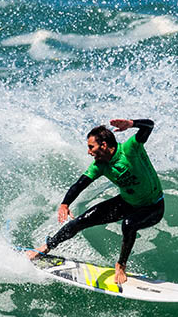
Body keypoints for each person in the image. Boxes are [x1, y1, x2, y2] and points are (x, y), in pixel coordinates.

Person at [29, 118, 163, 285]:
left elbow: (149, 125)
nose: (89, 152)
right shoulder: (100, 165)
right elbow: (80, 184)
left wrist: (131, 124)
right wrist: (65, 204)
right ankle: (47, 246)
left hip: (153, 207)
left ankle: (121, 265)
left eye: (91, 147)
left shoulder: (130, 148)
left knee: (129, 224)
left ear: (104, 145)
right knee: (81, 220)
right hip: (127, 203)